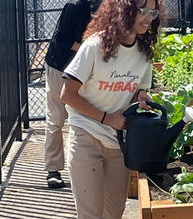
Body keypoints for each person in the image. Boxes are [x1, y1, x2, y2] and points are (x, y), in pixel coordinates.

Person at [60, 0, 161, 218]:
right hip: (86, 134)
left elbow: (136, 90)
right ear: (123, 10)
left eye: (152, 12)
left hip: (119, 142)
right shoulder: (94, 46)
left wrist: (140, 97)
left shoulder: (144, 53)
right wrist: (106, 118)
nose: (148, 18)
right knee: (91, 214)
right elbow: (67, 95)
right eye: (141, 11)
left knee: (114, 212)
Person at [44, 0, 102, 189]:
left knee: (88, 115)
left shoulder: (108, 5)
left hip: (86, 68)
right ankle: (53, 170)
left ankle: (89, 168)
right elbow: (63, 41)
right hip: (59, 64)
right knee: (57, 118)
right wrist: (92, 46)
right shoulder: (75, 6)